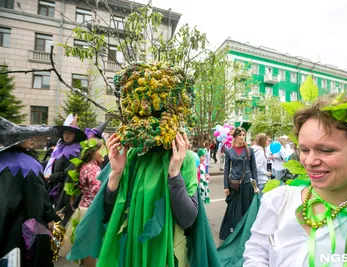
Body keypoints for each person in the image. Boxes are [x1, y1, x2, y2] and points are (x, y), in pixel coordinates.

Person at [67, 62, 220, 267]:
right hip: (131, 253)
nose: (150, 120)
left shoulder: (186, 159)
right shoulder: (131, 156)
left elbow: (188, 219)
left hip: (169, 257)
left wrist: (174, 173)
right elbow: (108, 213)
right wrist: (115, 173)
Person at [243, 94, 347, 266]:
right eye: (304, 149)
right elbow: (256, 253)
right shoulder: (278, 200)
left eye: (325, 150)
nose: (309, 161)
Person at [0, 117, 60, 267]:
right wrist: (50, 217)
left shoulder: (2, 159)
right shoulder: (28, 165)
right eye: (26, 136)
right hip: (23, 228)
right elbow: (39, 199)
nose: (32, 138)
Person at [59, 138, 106, 267]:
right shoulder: (92, 169)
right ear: (93, 152)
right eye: (102, 149)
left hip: (83, 209)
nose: (105, 152)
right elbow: (99, 192)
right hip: (92, 211)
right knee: (91, 246)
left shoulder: (86, 166)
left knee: (86, 244)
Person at [219, 127, 259, 241]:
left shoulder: (249, 150)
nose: (242, 137)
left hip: (247, 183)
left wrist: (256, 186)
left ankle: (247, 233)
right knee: (235, 210)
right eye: (240, 135)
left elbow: (254, 168)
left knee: (247, 209)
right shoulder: (229, 151)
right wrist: (226, 186)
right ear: (235, 136)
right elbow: (226, 169)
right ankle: (234, 232)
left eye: (243, 135)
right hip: (235, 184)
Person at [44, 114, 87, 211]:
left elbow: (69, 172)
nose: (67, 135)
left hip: (64, 190)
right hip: (55, 186)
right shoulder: (60, 148)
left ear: (75, 135)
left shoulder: (76, 151)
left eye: (70, 133)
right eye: (65, 133)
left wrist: (51, 177)